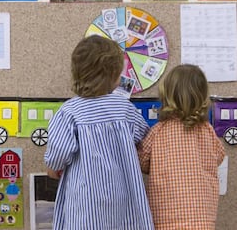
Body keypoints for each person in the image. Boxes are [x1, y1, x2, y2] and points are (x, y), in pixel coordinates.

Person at [44, 35, 154, 229]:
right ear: (113, 75)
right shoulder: (124, 108)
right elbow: (145, 138)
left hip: (86, 203)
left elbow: (58, 153)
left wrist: (53, 168)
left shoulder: (70, 111)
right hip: (123, 196)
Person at [138, 64, 225, 229]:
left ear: (167, 96)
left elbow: (142, 160)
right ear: (202, 97)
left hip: (165, 217)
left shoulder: (158, 131)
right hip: (202, 217)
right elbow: (219, 157)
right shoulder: (207, 130)